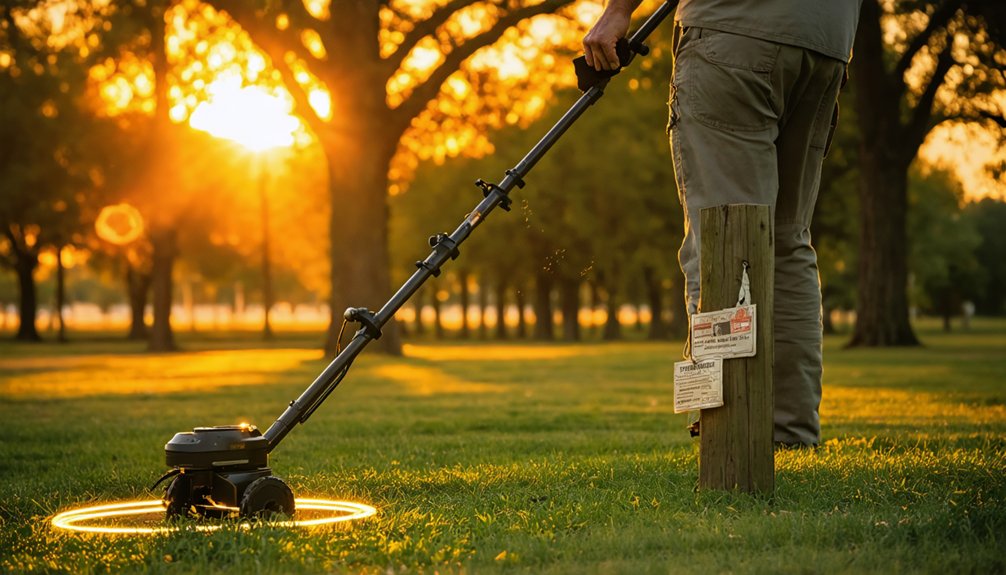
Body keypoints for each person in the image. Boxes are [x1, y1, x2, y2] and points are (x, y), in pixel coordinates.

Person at [584, 0, 862, 447]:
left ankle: (730, 433)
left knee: (723, 238)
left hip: (734, 31)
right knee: (788, 240)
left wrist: (617, 11)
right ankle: (791, 434)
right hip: (827, 38)